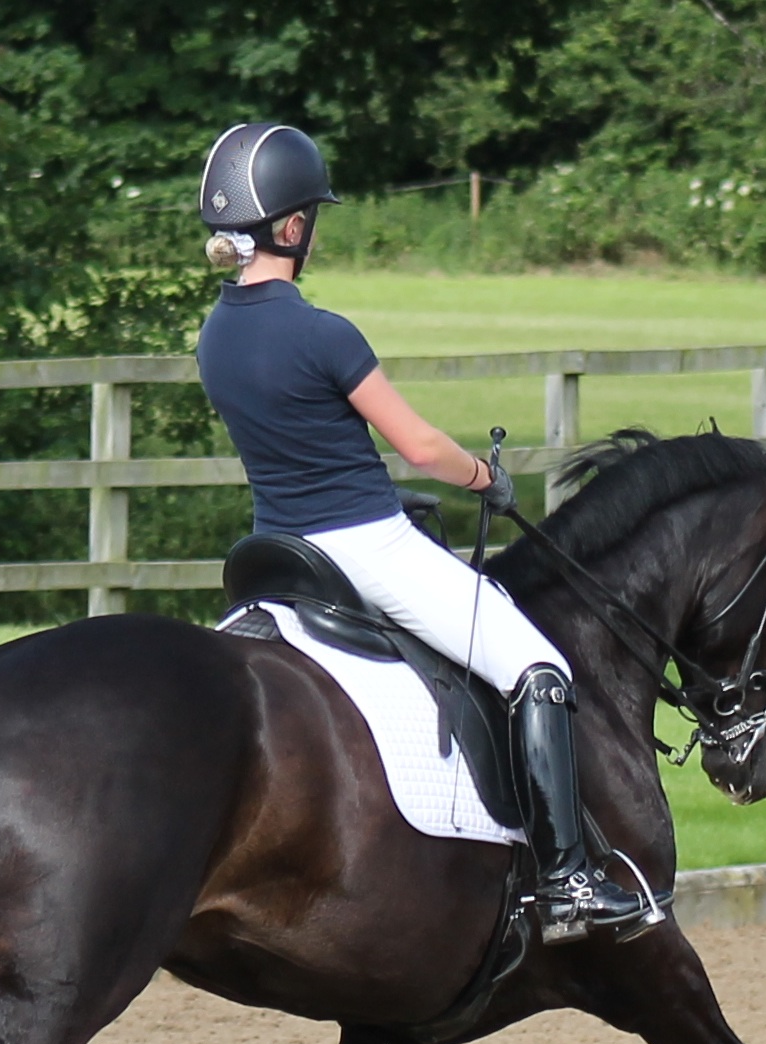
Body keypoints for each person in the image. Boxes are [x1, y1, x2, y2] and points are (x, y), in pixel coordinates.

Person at [195, 122, 644, 942]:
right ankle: (570, 881)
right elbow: (420, 446)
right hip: (369, 547)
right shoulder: (323, 332)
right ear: (294, 228)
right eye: (312, 220)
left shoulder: (214, 336)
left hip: (280, 556)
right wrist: (486, 477)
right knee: (538, 666)